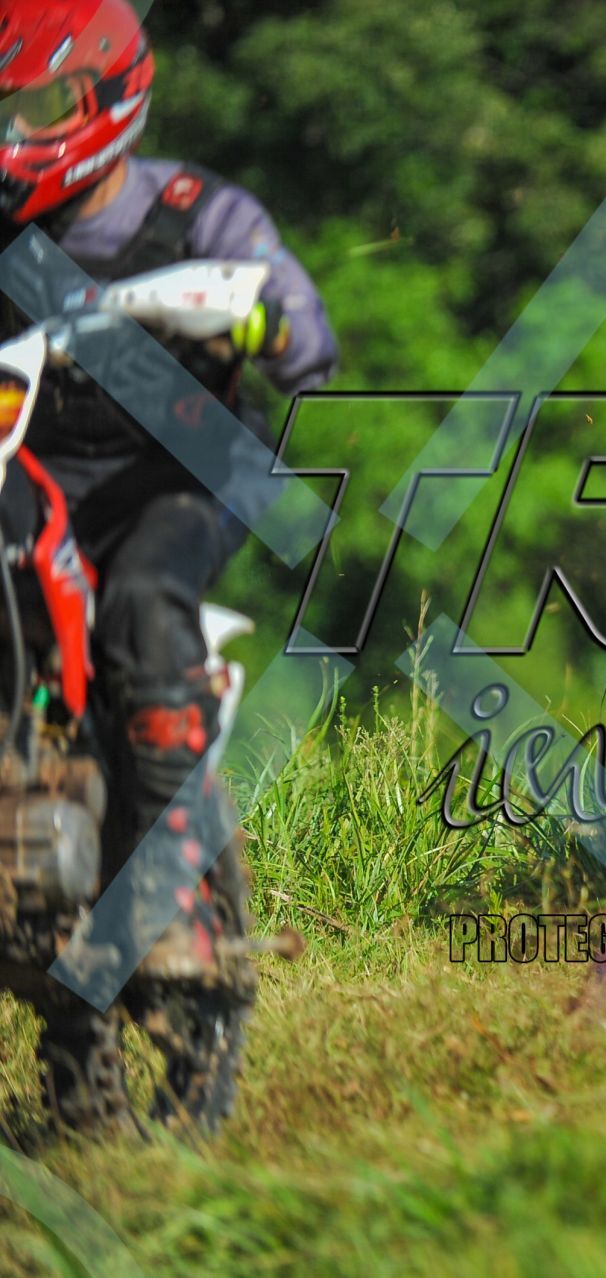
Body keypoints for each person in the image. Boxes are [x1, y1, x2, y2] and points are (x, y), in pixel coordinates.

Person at [0, 0, 338, 981]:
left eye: (37, 108)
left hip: (186, 473)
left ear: (109, 98)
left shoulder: (201, 214)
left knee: (145, 604)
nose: (15, 133)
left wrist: (263, 316)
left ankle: (164, 899)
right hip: (35, 475)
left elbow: (307, 340)